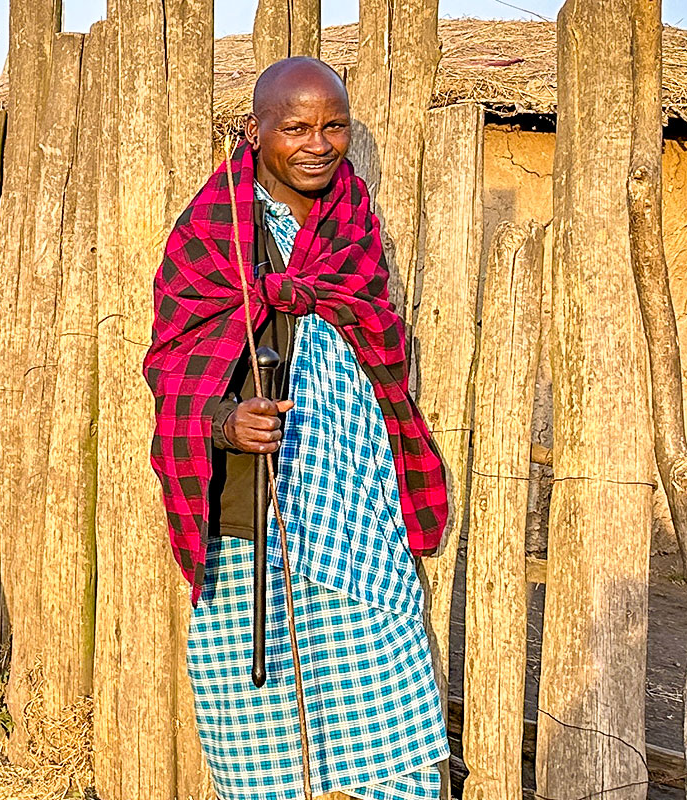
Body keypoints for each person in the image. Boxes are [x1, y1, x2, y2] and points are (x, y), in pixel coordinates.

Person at [146, 57, 450, 800]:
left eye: (334, 126)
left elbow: (379, 339)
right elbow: (170, 363)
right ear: (255, 131)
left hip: (357, 491)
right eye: (297, 127)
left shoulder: (354, 219)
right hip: (260, 509)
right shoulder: (212, 232)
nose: (318, 144)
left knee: (389, 676)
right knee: (257, 706)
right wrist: (222, 421)